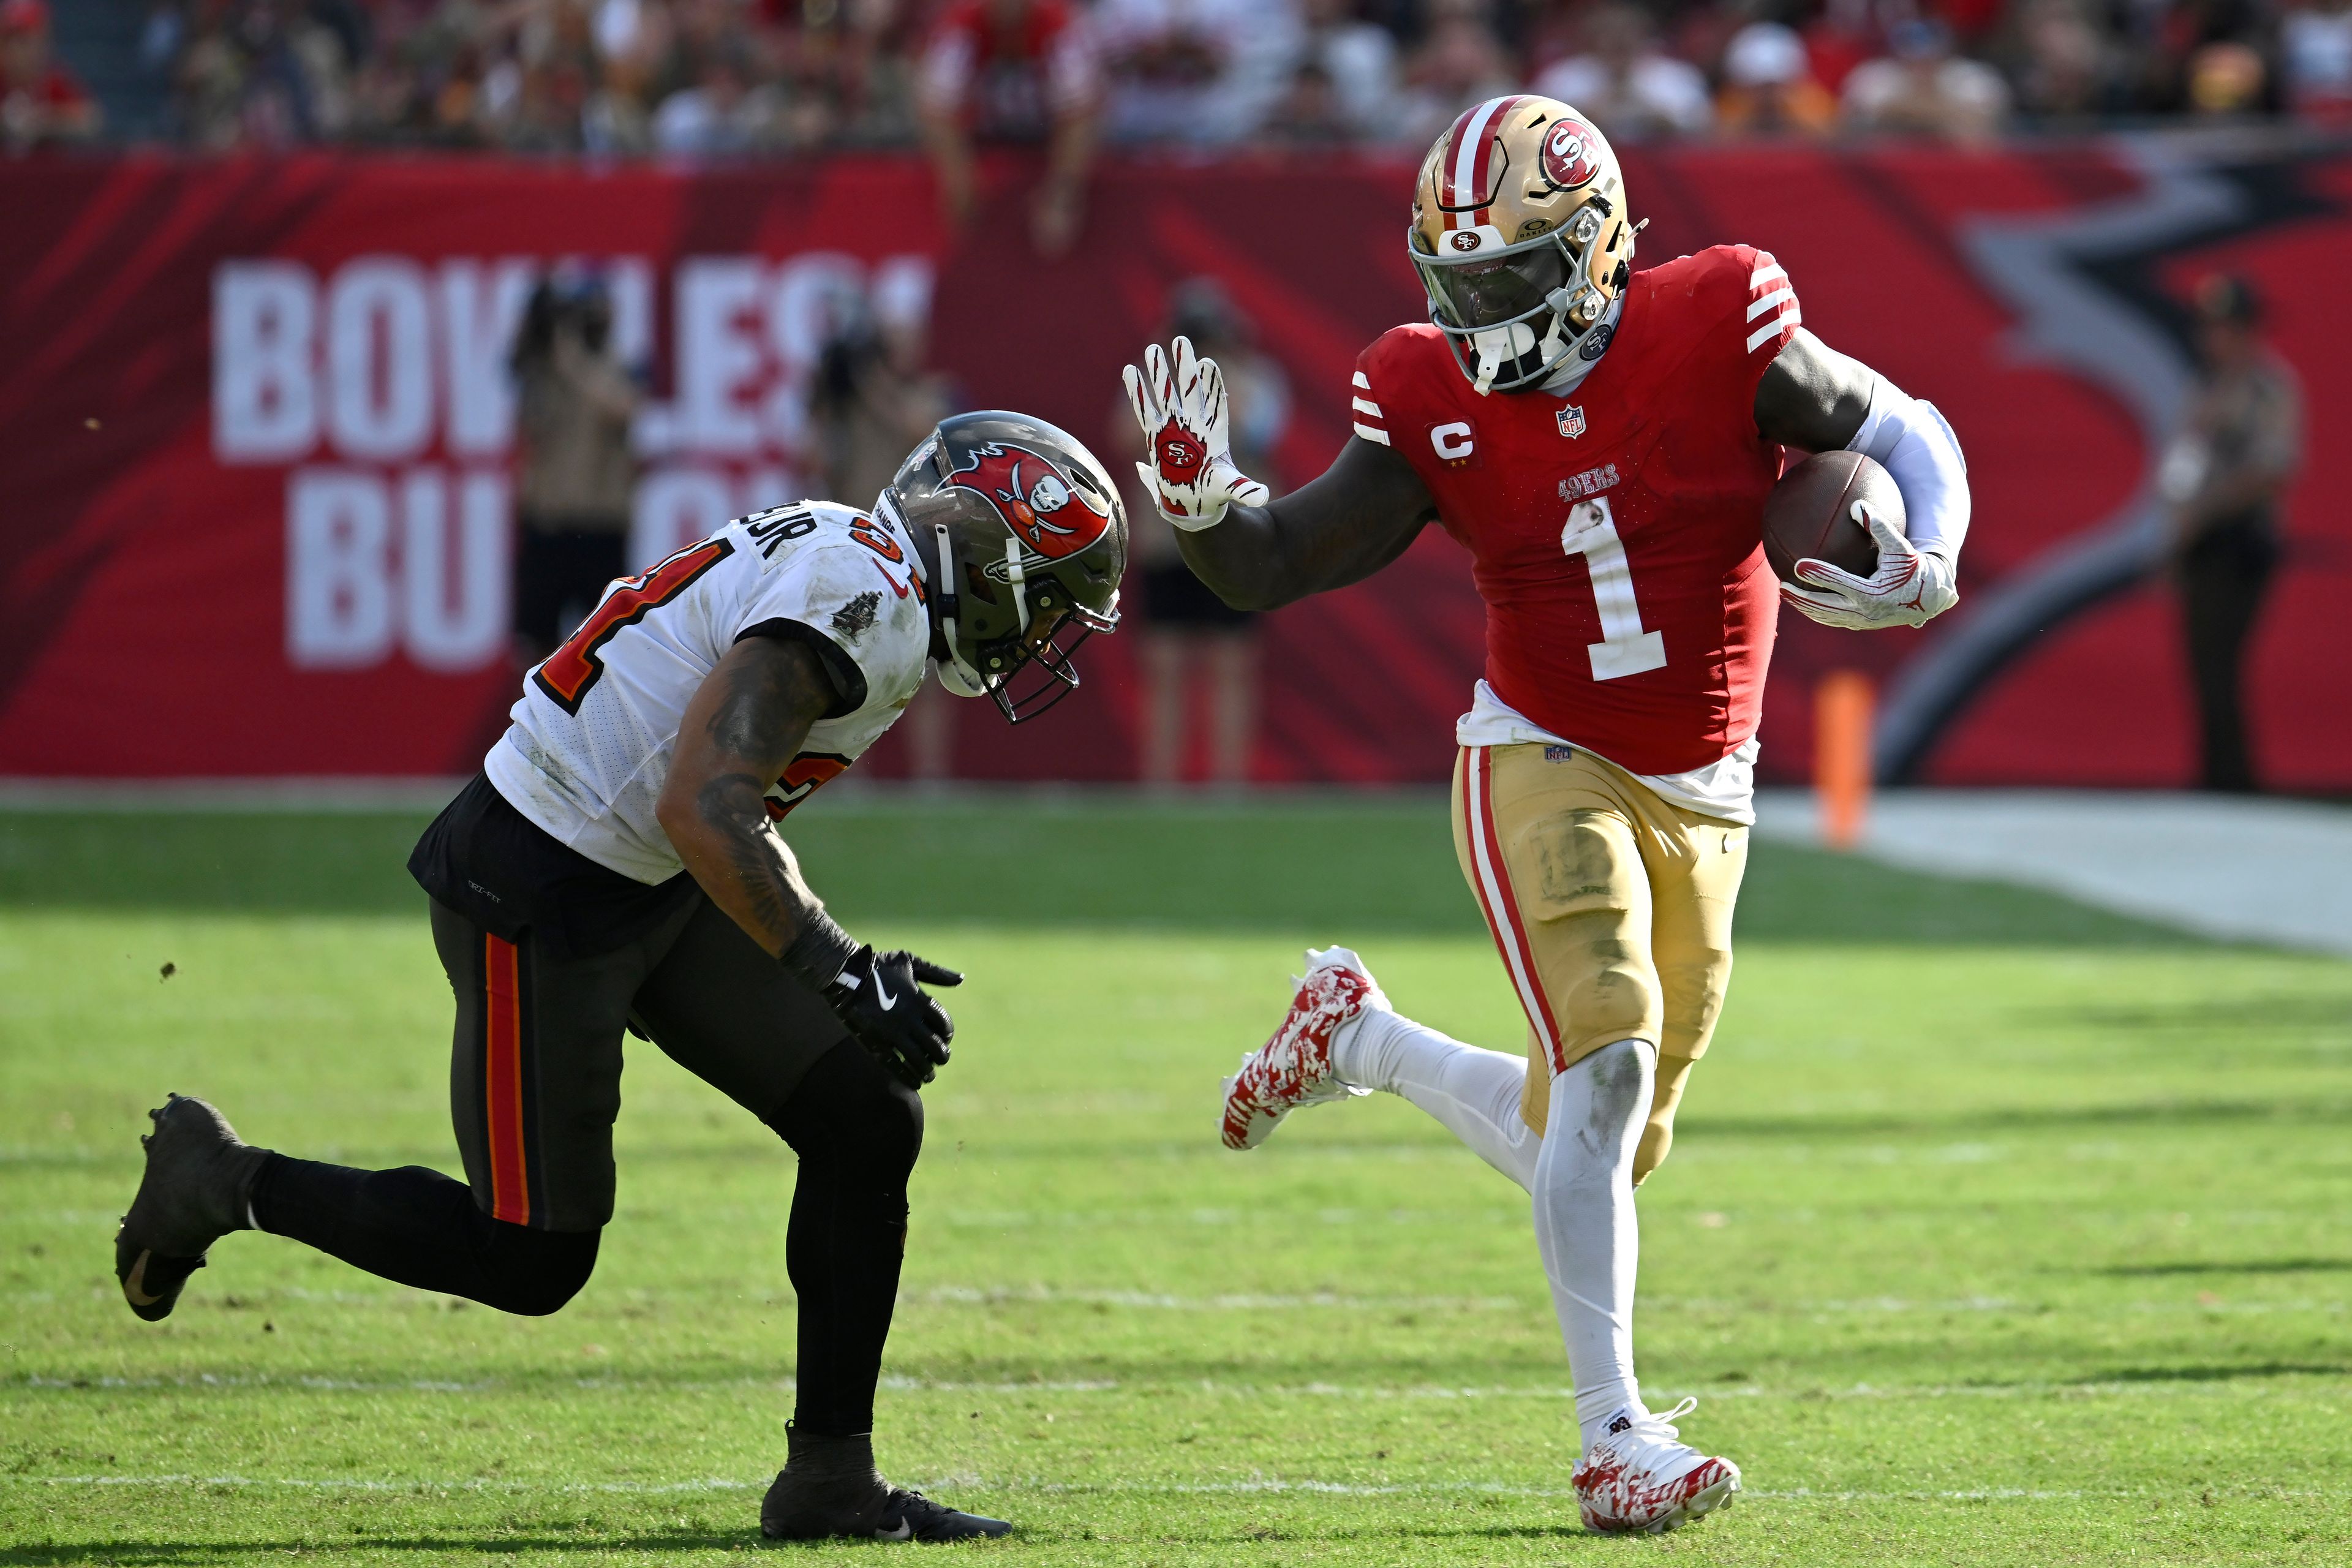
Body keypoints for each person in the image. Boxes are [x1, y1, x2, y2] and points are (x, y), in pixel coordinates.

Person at [1124, 96, 1969, 1533]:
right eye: (1455, 286)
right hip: (1539, 747)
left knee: (1598, 1135)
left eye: (1508, 281)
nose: (1481, 316)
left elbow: (1904, 423)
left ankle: (1360, 1035)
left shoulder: (1721, 316)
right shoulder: (1423, 391)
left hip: (1711, 781)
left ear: (1593, 248)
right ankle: (1611, 1436)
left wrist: (1929, 550)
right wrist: (1204, 508)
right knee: (1611, 1046)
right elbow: (1276, 561)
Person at [111, 412, 1129, 1545]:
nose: (1044, 630)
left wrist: (835, 975)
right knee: (534, 1257)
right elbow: (702, 801)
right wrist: (838, 966)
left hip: (640, 871)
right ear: (982, 561)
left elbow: (692, 799)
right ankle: (223, 1180)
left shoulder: (861, 564)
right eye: (1044, 594)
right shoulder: (865, 601)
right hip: (540, 881)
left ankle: (830, 1480)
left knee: (863, 1113)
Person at [1118, 279, 1287, 788]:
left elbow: (1260, 429)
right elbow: (1126, 434)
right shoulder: (1152, 383)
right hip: (1167, 540)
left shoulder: (1255, 377)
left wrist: (1218, 380)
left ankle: (1229, 786)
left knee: (1232, 664)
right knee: (1165, 665)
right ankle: (1162, 787)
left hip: (1234, 539)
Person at [2159, 274, 2301, 793]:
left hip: (2240, 540)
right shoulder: (2204, 387)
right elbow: (2183, 466)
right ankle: (2216, 775)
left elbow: (2270, 470)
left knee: (2222, 659)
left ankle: (2234, 781)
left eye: (2227, 327)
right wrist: (2178, 530)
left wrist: (2205, 511)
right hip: (2201, 540)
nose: (2215, 338)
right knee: (2202, 663)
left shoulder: (2268, 387)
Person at [508, 276, 641, 664]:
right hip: (548, 522)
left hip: (600, 526)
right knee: (535, 641)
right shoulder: (543, 370)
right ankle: (537, 723)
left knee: (608, 643)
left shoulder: (618, 365)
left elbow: (623, 409)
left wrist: (573, 361)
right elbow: (519, 389)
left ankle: (602, 724)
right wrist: (535, 336)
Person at [916, 0, 1102, 255]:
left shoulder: (1057, 23)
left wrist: (1064, 190)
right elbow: (936, 105)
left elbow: (1081, 110)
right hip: (984, 138)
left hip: (1046, 136)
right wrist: (958, 178)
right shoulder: (962, 23)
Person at [1, 0, 100, 153]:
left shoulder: (53, 79)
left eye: (26, 40)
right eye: (11, 40)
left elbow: (91, 121)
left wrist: (43, 123)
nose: (18, 50)